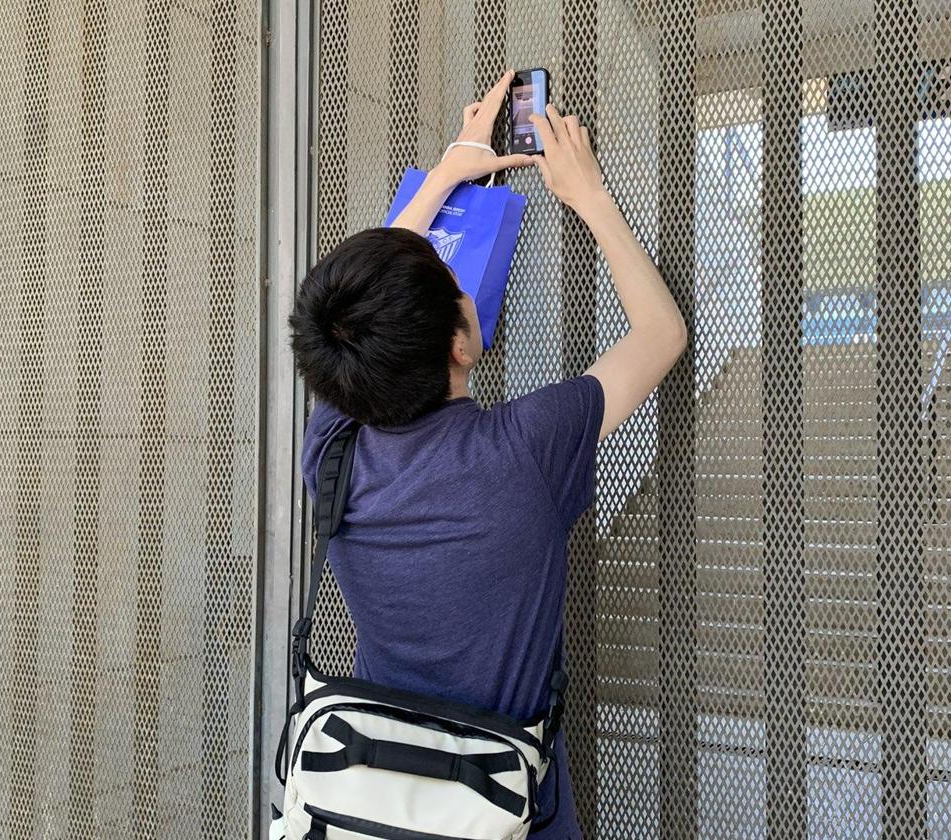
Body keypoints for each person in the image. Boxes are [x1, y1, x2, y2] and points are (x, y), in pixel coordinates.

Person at [289, 69, 686, 839]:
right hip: (510, 810)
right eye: (451, 281)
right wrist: (588, 194)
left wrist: (447, 171)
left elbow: (352, 320)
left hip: (376, 798)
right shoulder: (527, 450)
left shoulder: (330, 446)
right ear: (463, 343)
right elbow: (662, 334)